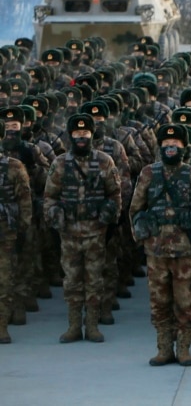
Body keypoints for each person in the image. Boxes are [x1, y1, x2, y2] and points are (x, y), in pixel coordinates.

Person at [129, 123, 191, 366]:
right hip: (156, 251)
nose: (170, 147)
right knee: (159, 302)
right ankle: (164, 347)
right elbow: (136, 208)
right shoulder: (148, 173)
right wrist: (141, 240)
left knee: (185, 301)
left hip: (185, 250)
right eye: (166, 144)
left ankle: (185, 348)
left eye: (175, 143)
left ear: (184, 147)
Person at [43, 113, 121, 344]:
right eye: (77, 134)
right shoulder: (59, 163)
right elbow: (50, 196)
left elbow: (115, 193)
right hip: (69, 232)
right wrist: (55, 216)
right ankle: (74, 325)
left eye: (85, 133)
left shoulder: (105, 161)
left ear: (92, 134)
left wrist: (109, 215)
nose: (81, 137)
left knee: (95, 280)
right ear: (70, 136)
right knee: (72, 280)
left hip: (96, 231)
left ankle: (93, 326)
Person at [0, 109, 33, 345]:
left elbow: (24, 200)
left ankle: (2, 326)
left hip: (5, 231)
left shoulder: (13, 166)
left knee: (4, 278)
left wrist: (23, 228)